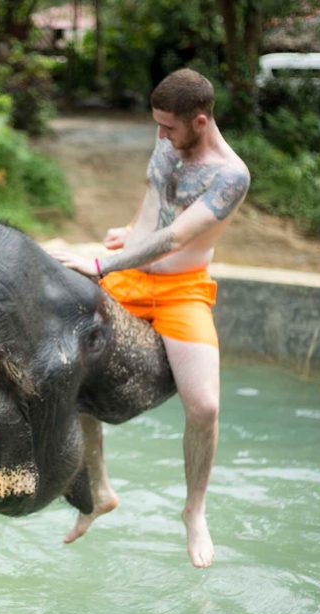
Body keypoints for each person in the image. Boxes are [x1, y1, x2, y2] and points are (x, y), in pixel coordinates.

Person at [51, 68, 250, 568]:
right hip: (132, 274)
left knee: (204, 406)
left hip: (182, 290)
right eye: (157, 125)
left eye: (168, 126)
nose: (160, 135)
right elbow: (153, 204)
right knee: (74, 366)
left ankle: (194, 512)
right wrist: (128, 234)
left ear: (199, 121)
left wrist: (102, 264)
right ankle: (99, 491)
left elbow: (179, 236)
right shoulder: (166, 144)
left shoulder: (231, 175)